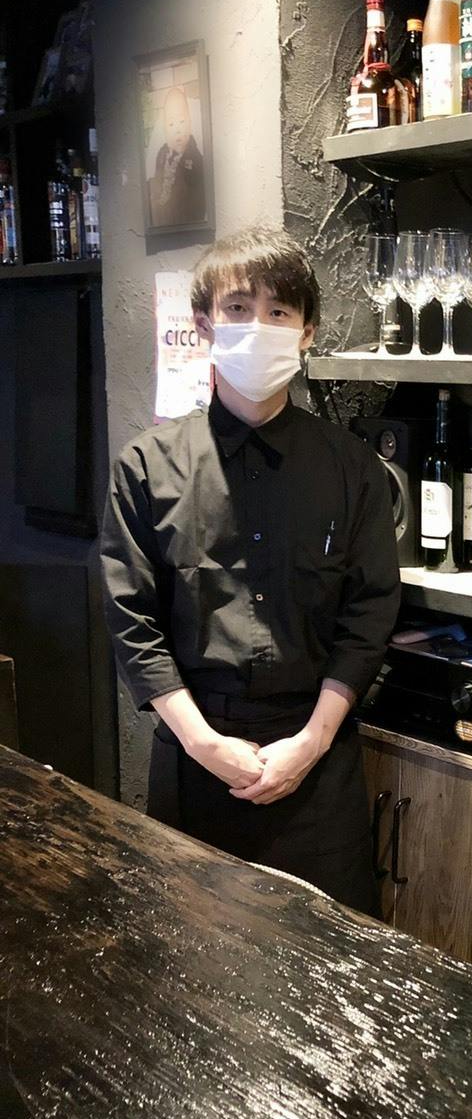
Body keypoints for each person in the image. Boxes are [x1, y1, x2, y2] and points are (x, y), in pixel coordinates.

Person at [100, 225, 401, 911]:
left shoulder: (353, 469)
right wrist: (205, 744)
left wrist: (311, 743)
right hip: (195, 754)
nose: (257, 326)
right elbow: (132, 623)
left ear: (307, 332)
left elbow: (370, 614)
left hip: (317, 759)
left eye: (279, 311)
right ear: (204, 323)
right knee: (190, 957)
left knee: (333, 956)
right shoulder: (146, 467)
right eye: (238, 308)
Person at [149, 85, 206, 228]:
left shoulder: (194, 157)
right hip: (163, 220)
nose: (177, 129)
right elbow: (157, 182)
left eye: (182, 121)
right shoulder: (162, 154)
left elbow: (198, 194)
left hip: (186, 220)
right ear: (165, 130)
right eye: (171, 124)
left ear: (190, 124)